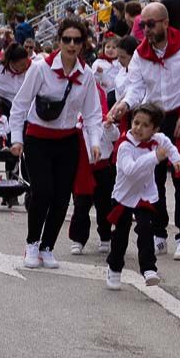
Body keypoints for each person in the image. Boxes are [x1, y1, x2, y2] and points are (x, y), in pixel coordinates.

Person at [9, 17, 104, 270]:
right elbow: (20, 105)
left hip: (68, 140)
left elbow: (93, 113)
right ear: (59, 41)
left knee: (62, 197)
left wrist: (95, 142)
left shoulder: (87, 75)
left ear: (84, 43)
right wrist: (16, 139)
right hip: (38, 139)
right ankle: (32, 243)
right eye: (67, 40)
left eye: (77, 40)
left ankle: (47, 246)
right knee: (43, 192)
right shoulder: (41, 68)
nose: (71, 45)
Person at [107, 1, 180, 260]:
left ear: (165, 23)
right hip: (153, 120)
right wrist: (124, 105)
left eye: (151, 24)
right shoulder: (140, 53)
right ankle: (159, 231)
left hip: (179, 116)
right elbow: (136, 89)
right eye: (143, 25)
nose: (146, 29)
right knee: (154, 177)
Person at [105, 104, 180, 289]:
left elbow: (169, 146)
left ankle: (149, 269)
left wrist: (177, 159)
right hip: (124, 196)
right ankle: (114, 269)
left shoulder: (158, 139)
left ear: (154, 129)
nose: (138, 128)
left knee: (146, 229)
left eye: (145, 125)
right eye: (135, 122)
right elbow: (131, 170)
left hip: (144, 196)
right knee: (120, 236)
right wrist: (154, 157)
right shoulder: (125, 145)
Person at [69, 100, 120, 256]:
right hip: (82, 170)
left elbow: (115, 136)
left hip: (103, 169)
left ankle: (105, 237)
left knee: (104, 205)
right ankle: (78, 239)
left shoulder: (104, 121)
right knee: (81, 205)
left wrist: (109, 125)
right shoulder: (75, 123)